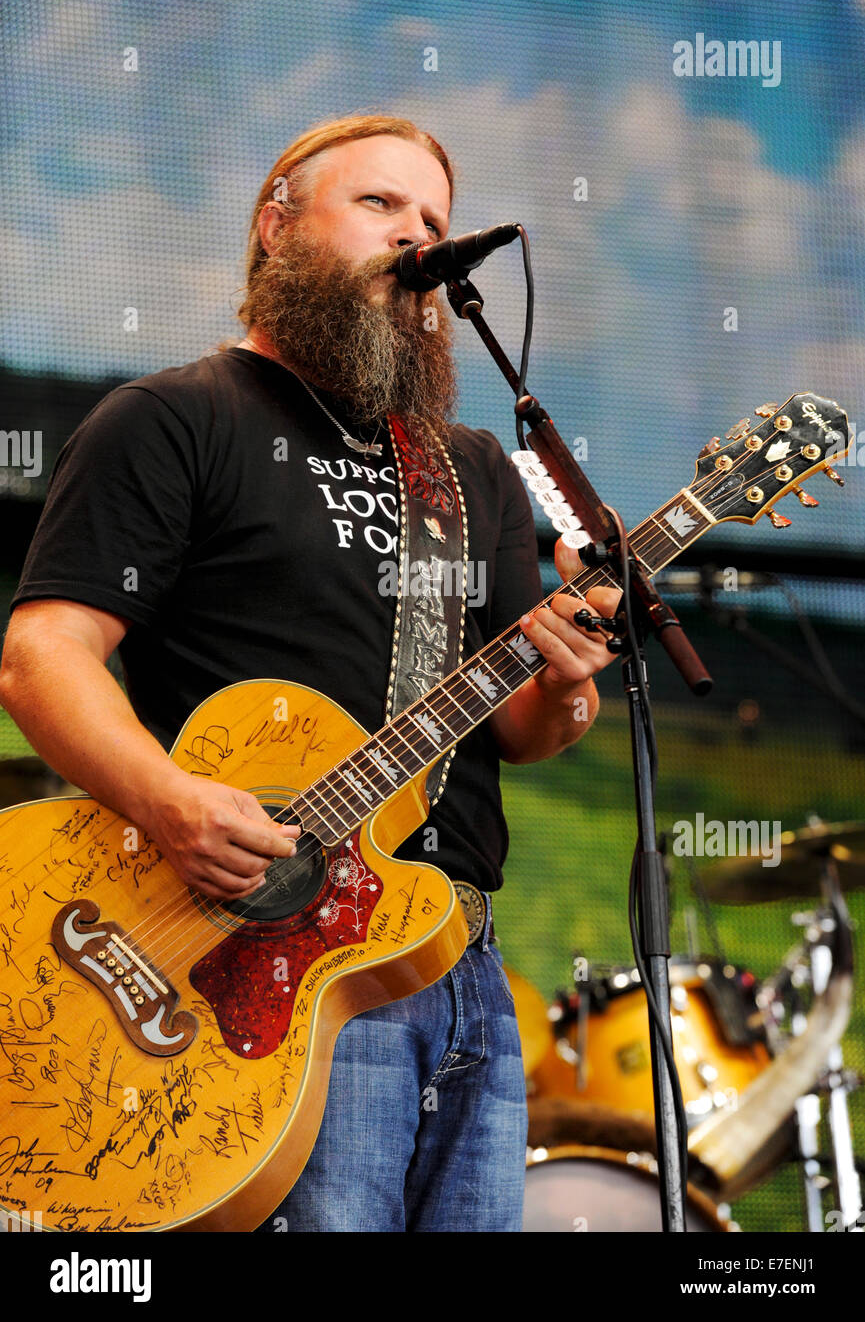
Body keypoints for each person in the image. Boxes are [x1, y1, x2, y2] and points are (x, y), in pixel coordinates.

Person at [0, 113, 619, 1232]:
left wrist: (569, 678)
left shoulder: (470, 468)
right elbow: (44, 656)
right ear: (274, 226)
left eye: (433, 219)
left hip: (455, 958)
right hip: (243, 955)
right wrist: (170, 800)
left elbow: (522, 726)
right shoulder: (174, 419)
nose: (417, 239)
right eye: (380, 205)